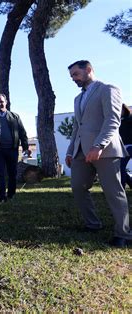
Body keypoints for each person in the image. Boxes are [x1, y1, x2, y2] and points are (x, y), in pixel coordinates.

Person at [65, 60, 131, 248]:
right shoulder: (78, 99)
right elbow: (77, 127)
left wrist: (99, 145)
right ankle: (93, 224)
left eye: (76, 74)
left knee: (113, 191)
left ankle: (123, 233)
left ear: (89, 70)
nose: (73, 79)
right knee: (78, 187)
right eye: (71, 76)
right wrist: (71, 151)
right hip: (80, 151)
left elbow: (112, 120)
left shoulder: (108, 89)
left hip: (106, 150)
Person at [0, 94, 29, 202]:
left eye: (1, 101)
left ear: (6, 102)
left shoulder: (14, 116)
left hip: (12, 149)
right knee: (0, 174)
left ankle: (11, 194)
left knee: (12, 173)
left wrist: (25, 146)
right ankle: (1, 196)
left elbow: (22, 132)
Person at [119, 103, 132, 189]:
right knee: (120, 167)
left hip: (130, 146)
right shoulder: (118, 121)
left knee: (120, 166)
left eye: (121, 109)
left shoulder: (130, 119)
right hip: (124, 147)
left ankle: (122, 187)